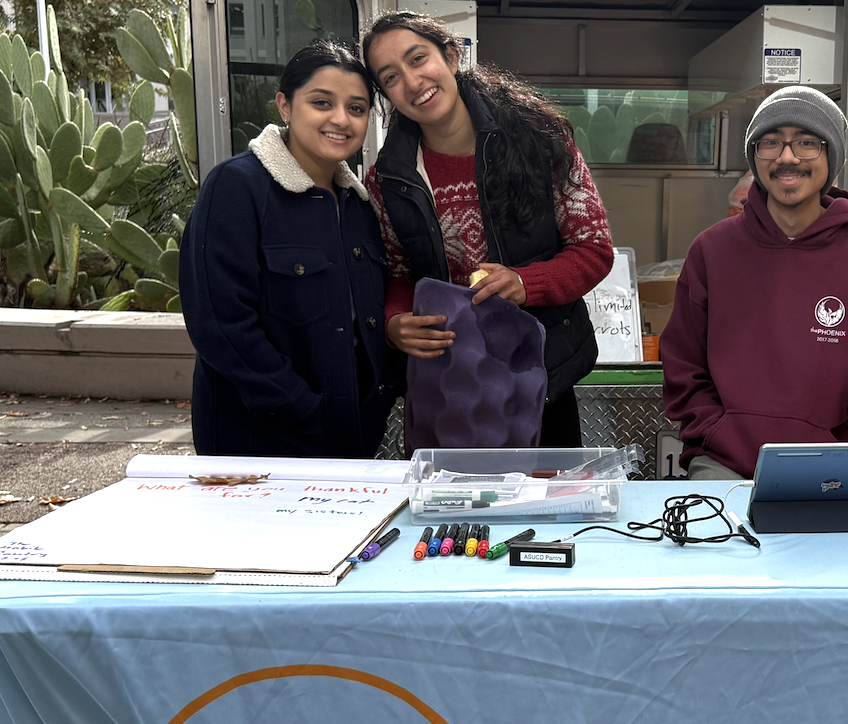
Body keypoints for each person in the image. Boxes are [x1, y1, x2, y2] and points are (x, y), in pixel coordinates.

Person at [362, 11, 614, 449]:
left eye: (418, 58)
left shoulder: (542, 141)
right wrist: (395, 322)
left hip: (540, 378)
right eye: (391, 77)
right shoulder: (387, 180)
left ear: (451, 56)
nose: (412, 80)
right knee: (455, 515)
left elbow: (593, 249)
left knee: (547, 511)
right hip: (447, 386)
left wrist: (524, 282)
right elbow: (399, 272)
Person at [660, 87, 848, 481]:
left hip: (827, 468)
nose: (787, 157)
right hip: (723, 463)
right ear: (756, 156)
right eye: (771, 142)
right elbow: (683, 366)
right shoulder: (712, 250)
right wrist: (716, 431)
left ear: (830, 156)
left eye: (806, 143)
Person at [180, 41, 402, 458]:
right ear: (285, 106)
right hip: (258, 442)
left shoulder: (360, 206)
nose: (341, 119)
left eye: (356, 108)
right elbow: (220, 324)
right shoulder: (236, 187)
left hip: (353, 439)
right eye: (322, 102)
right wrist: (298, 407)